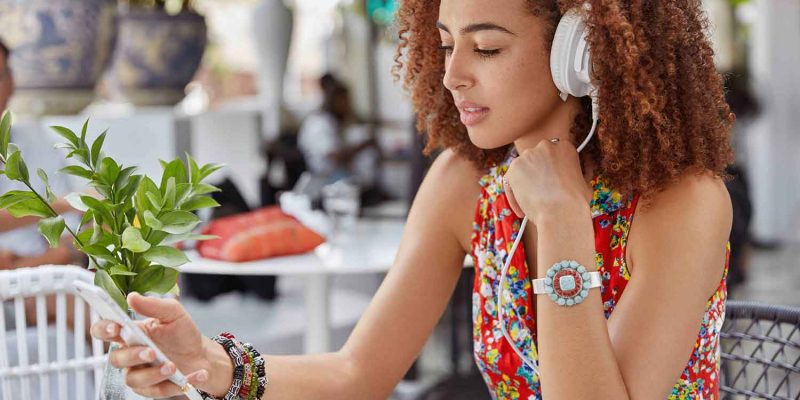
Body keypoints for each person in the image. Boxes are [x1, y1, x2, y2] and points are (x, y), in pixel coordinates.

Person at [91, 1, 734, 399]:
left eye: (486, 47)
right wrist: (208, 365)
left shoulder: (682, 203)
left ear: (583, 55)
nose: (453, 74)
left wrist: (561, 220)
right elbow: (357, 376)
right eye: (447, 44)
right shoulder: (466, 182)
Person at [296, 74, 381, 205]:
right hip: (324, 185)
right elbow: (335, 157)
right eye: (345, 100)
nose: (348, 105)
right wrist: (363, 145)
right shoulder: (319, 123)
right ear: (335, 100)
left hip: (337, 180)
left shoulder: (334, 122)